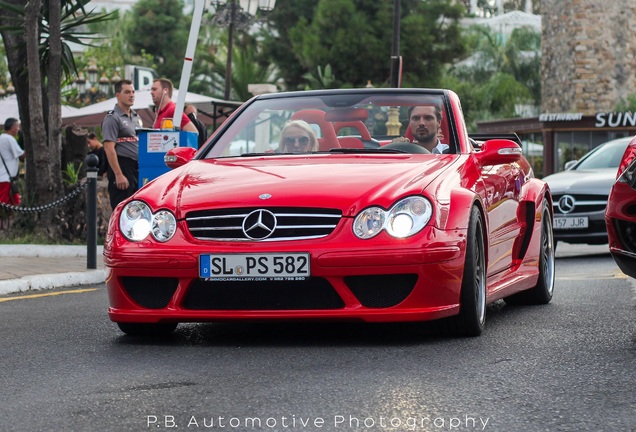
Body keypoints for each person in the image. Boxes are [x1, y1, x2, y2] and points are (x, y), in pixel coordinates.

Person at [102, 79, 142, 210]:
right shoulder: (112, 118)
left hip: (136, 168)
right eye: (127, 92)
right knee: (122, 209)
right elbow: (109, 148)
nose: (131, 95)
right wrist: (118, 174)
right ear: (117, 95)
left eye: (133, 92)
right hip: (122, 166)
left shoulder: (137, 117)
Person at [0, 117, 25, 206]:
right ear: (12, 127)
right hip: (6, 179)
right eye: (17, 126)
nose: (18, 129)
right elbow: (22, 155)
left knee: (15, 204)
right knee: (4, 204)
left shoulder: (1, 138)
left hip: (4, 178)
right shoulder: (9, 139)